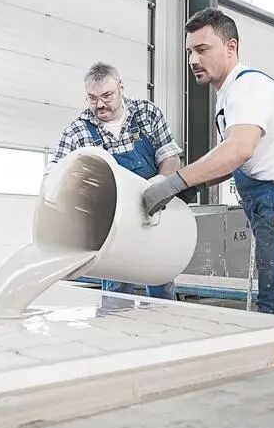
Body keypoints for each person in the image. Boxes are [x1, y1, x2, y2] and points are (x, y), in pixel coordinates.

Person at [141, 8, 274, 331]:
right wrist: (193, 186)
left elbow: (238, 149)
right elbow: (236, 160)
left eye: (202, 49)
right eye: (190, 51)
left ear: (231, 47)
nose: (193, 60)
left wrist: (176, 181)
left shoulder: (248, 89)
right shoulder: (230, 94)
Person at [47, 62, 182, 300]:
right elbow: (54, 176)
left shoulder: (146, 114)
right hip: (113, 226)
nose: (100, 104)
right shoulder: (78, 132)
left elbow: (170, 158)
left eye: (107, 96)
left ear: (121, 88)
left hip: (154, 215)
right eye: (92, 98)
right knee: (116, 294)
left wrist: (159, 183)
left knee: (160, 285)